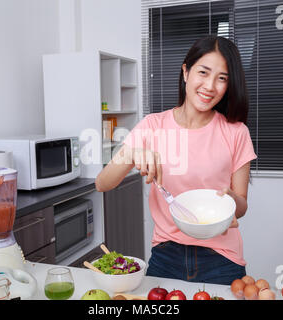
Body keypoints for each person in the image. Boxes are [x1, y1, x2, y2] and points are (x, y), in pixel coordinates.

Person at [95, 35, 257, 285]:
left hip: (222, 259)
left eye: (222, 78)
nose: (210, 85)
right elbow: (102, 184)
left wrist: (232, 198)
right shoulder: (153, 126)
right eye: (203, 72)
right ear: (186, 72)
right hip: (166, 255)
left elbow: (242, 208)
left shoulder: (237, 133)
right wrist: (133, 153)